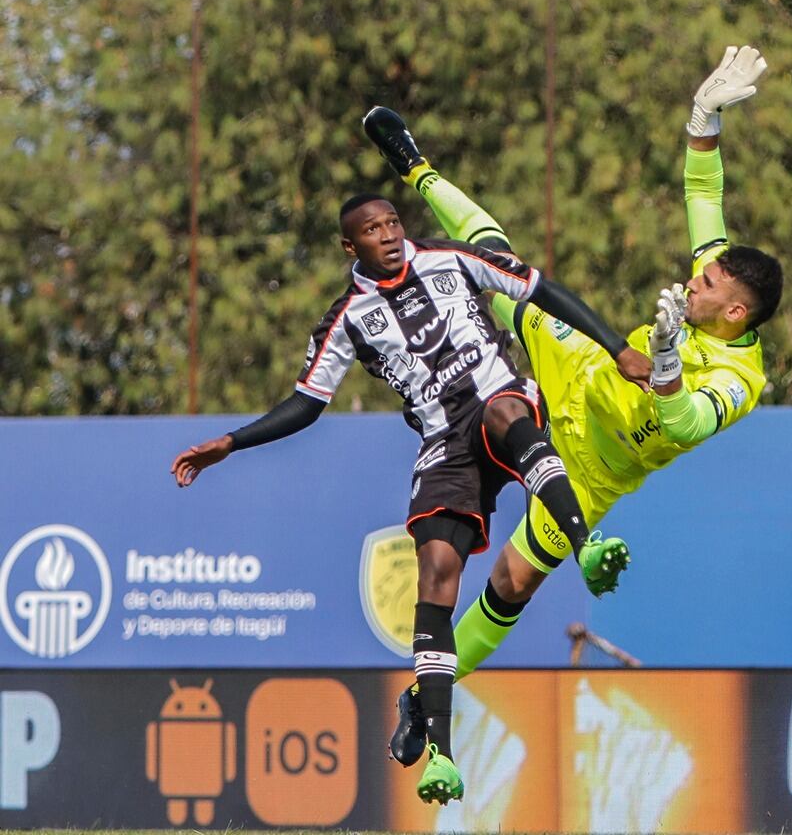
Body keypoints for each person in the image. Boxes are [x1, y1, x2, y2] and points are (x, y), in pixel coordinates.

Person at [170, 172, 652, 806]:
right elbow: (307, 402)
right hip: (443, 442)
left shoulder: (452, 258)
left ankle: (586, 545)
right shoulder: (348, 318)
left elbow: (540, 290)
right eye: (373, 231)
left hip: (496, 399)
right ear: (351, 249)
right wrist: (231, 442)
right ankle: (441, 754)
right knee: (436, 574)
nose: (390, 237)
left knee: (509, 416)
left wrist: (616, 348)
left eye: (393, 223)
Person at [365, 45, 784, 768]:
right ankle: (414, 165)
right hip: (582, 370)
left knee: (510, 585)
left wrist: (664, 369)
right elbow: (703, 195)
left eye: (708, 280)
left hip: (594, 471)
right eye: (703, 269)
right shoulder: (709, 293)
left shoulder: (743, 382)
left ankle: (422, 698)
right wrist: (703, 119)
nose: (696, 277)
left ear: (735, 312)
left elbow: (683, 423)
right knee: (497, 260)